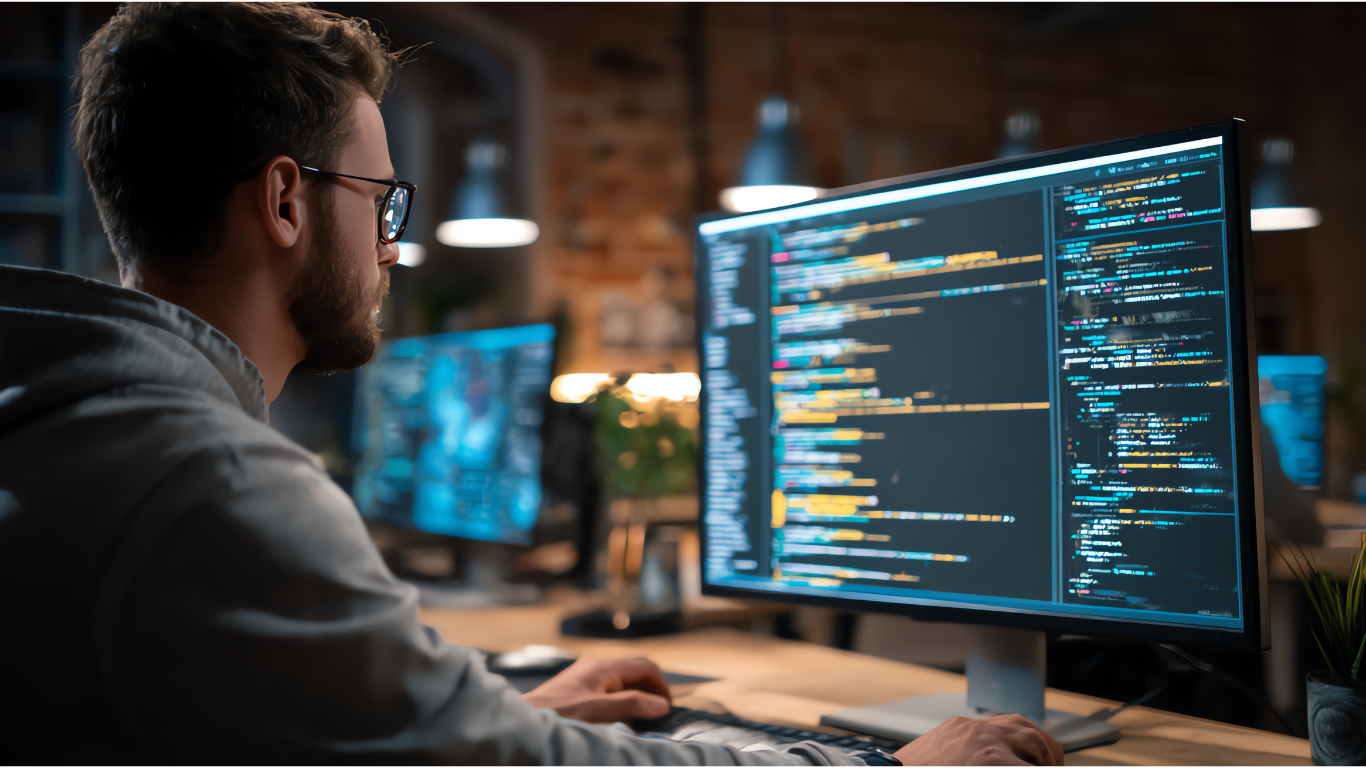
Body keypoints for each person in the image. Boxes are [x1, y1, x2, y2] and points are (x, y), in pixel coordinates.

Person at [0, 4, 1064, 765]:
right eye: (380, 201)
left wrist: (493, 722)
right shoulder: (212, 481)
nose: (389, 247)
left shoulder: (74, 424)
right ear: (285, 201)